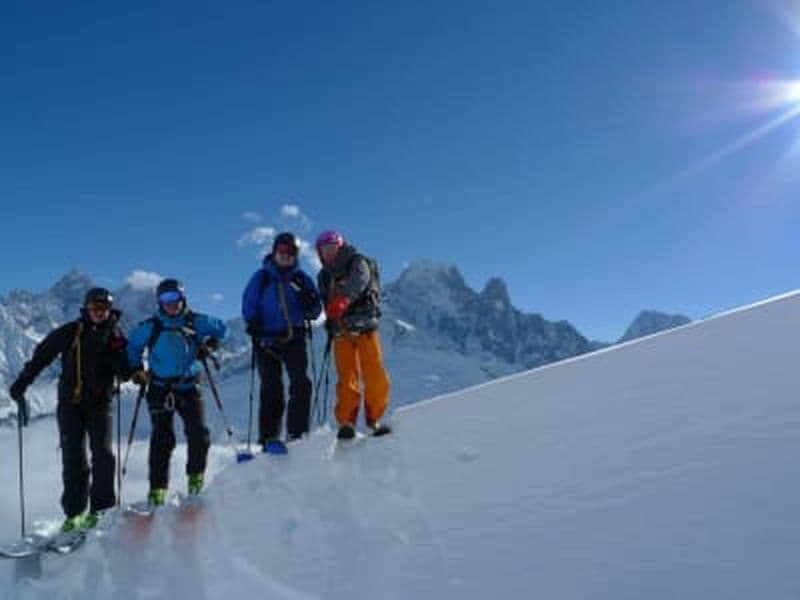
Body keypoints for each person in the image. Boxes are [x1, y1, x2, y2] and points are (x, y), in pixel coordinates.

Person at [8, 287, 128, 531]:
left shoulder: (116, 336)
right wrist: (22, 383)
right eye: (95, 307)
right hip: (70, 405)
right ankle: (74, 515)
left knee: (103, 455)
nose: (99, 312)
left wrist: (128, 365)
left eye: (104, 308)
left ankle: (101, 512)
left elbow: (125, 371)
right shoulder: (71, 332)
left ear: (110, 310)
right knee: (74, 458)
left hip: (100, 405)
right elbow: (43, 355)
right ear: (86, 309)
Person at [127, 278, 226, 506]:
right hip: (160, 388)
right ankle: (157, 490)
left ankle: (195, 481)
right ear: (159, 302)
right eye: (165, 299)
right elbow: (132, 347)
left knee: (199, 434)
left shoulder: (196, 321)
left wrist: (210, 344)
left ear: (182, 298)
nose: (170, 303)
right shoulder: (151, 326)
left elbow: (223, 329)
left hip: (189, 386)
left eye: (174, 298)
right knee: (162, 439)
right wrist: (136, 370)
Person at [242, 232, 322, 453]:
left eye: (291, 252)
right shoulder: (262, 278)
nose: (286, 256)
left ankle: (297, 432)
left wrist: (310, 304)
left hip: (293, 337)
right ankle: (269, 437)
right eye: (282, 251)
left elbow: (315, 310)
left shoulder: (301, 279)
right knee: (271, 387)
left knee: (301, 383)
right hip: (266, 339)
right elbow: (249, 303)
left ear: (296, 255)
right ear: (274, 252)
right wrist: (253, 323)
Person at [315, 230, 392, 440]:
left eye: (332, 248)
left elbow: (360, 280)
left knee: (375, 375)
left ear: (340, 247)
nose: (329, 253)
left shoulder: (357, 261)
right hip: (341, 332)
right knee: (346, 380)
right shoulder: (323, 275)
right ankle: (346, 423)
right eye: (324, 250)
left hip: (366, 327)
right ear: (319, 253)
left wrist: (344, 300)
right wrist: (330, 322)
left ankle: (374, 419)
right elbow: (326, 302)